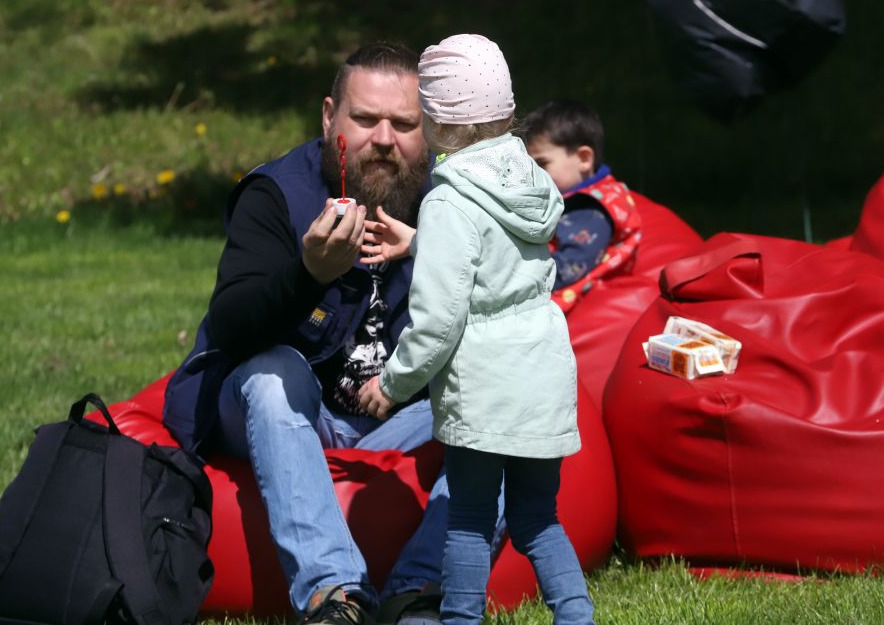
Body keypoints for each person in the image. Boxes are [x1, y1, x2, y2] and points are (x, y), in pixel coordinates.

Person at [162, 42, 451, 625]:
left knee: (510, 392)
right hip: (284, 412)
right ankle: (334, 596)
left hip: (397, 413)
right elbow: (232, 324)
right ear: (329, 118)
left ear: (430, 131)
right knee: (273, 374)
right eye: (365, 120)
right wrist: (308, 274)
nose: (384, 139)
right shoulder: (275, 195)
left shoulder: (449, 200)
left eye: (404, 124)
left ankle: (418, 588)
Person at [358, 34, 595, 625]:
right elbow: (499, 261)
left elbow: (439, 321)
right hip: (540, 370)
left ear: (435, 121)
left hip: (486, 384)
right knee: (539, 518)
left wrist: (393, 382)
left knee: (467, 516)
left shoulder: (448, 200)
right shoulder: (528, 179)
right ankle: (576, 617)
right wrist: (423, 244)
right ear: (508, 111)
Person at [518, 100, 642, 311]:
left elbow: (571, 266)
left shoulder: (591, 210)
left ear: (584, 158)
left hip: (558, 299)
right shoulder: (569, 195)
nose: (532, 174)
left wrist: (516, 282)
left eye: (541, 164)